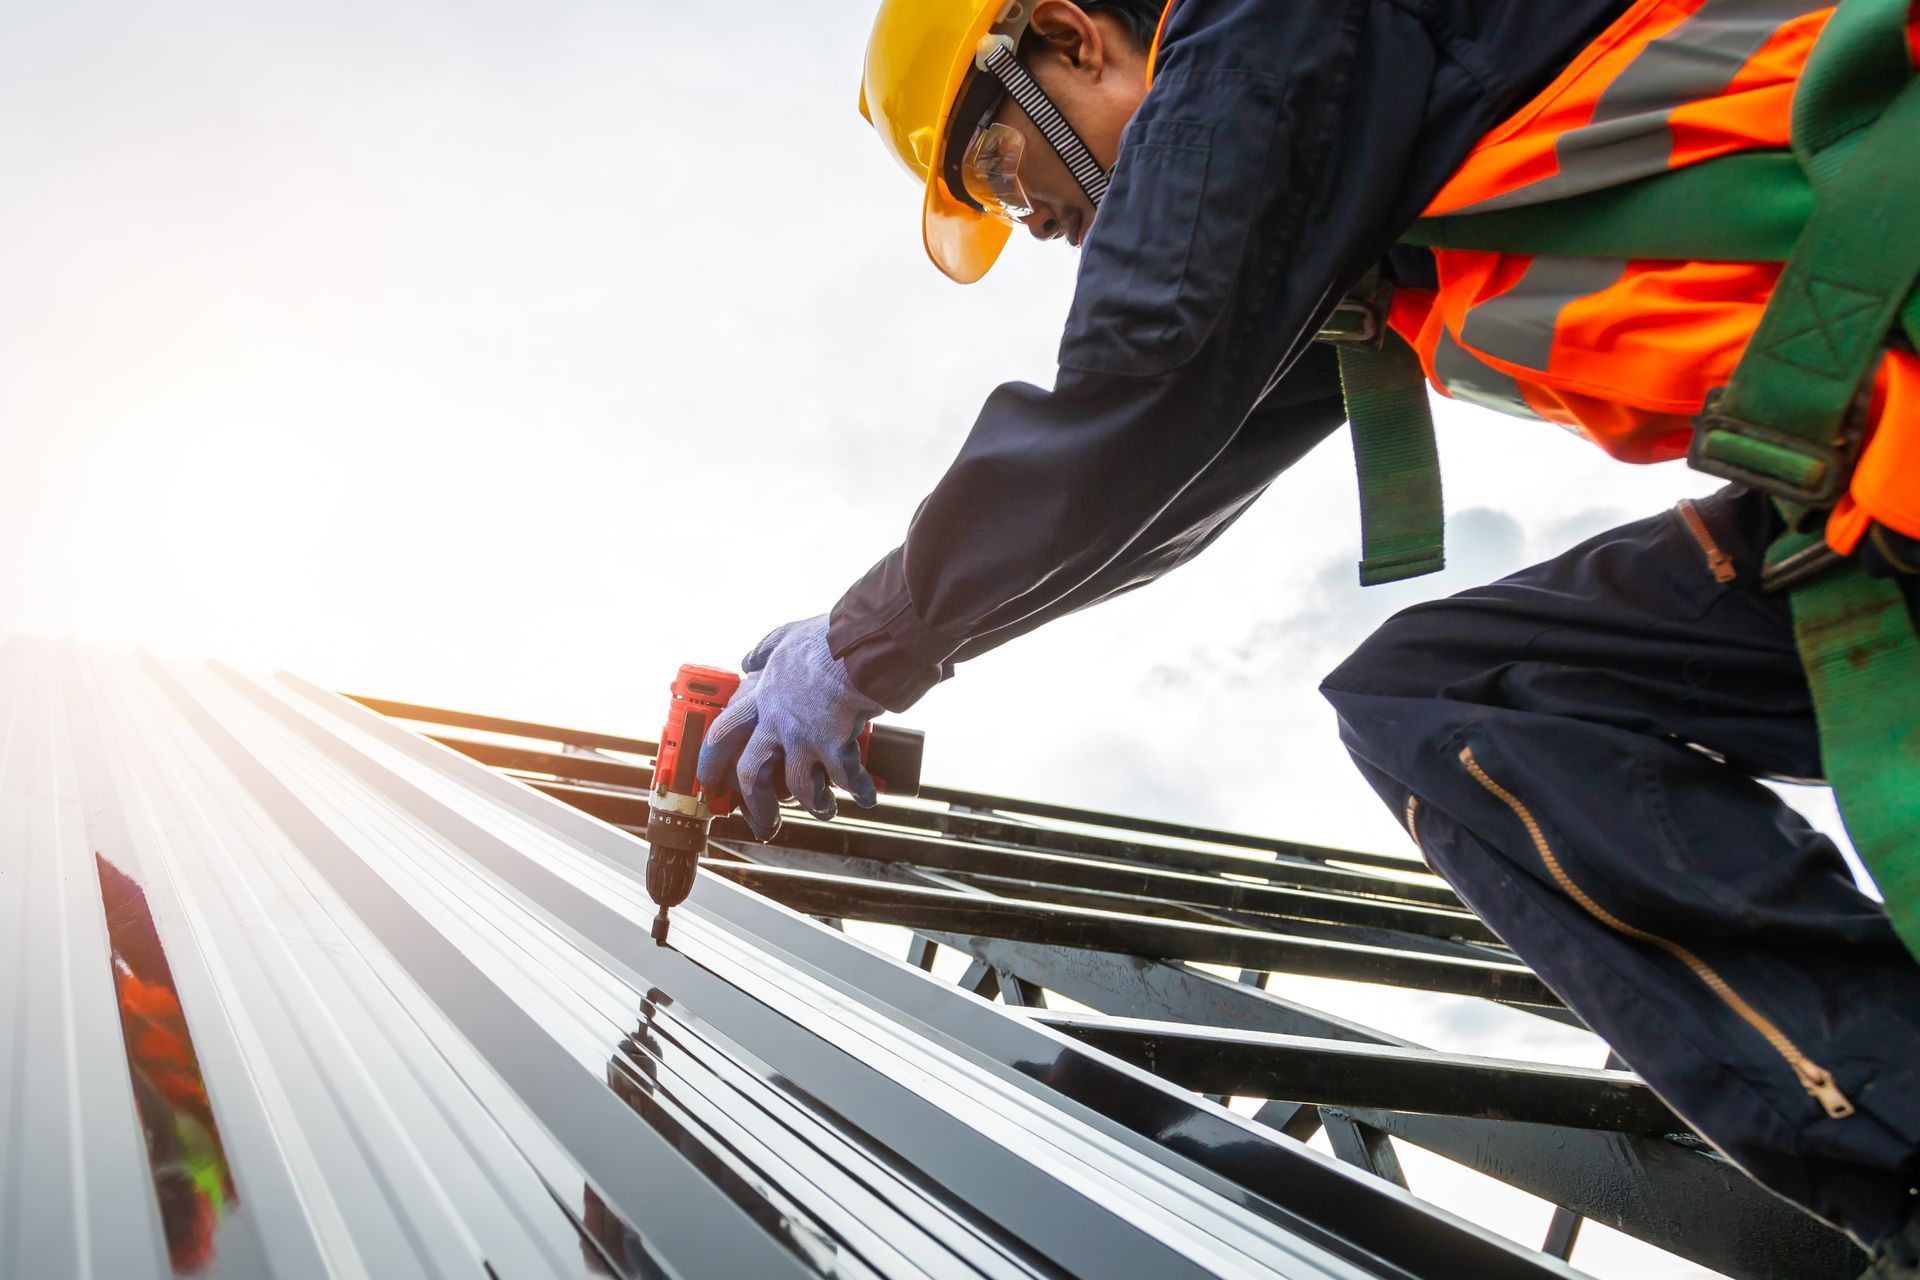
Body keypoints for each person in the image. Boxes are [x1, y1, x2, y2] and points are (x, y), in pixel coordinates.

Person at [695, 0, 1920, 1267]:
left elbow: (1147, 368)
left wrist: (861, 645)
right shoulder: (1346, 158)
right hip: (1885, 476)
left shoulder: (1269, 26)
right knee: (1452, 696)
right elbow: (1163, 479)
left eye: (1005, 169)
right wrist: (876, 640)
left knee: (1453, 690)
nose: (1043, 221)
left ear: (1067, 34)